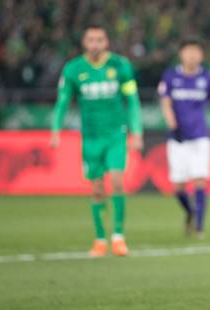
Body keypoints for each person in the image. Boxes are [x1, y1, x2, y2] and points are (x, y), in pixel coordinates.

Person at [50, 24, 143, 257]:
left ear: (106, 42)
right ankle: (100, 238)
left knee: (118, 181)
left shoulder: (120, 66)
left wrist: (137, 131)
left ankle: (119, 237)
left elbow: (132, 101)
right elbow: (62, 102)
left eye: (99, 40)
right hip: (91, 138)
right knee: (98, 189)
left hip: (116, 134)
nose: (95, 44)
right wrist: (55, 130)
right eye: (91, 40)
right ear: (84, 42)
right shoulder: (73, 69)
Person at [158, 39, 210, 238]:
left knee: (199, 180)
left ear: (201, 55)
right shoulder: (171, 76)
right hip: (177, 138)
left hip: (200, 137)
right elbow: (165, 104)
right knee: (178, 185)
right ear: (181, 54)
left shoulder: (207, 78)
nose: (192, 56)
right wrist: (173, 126)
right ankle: (190, 211)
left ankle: (199, 226)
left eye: (196, 52)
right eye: (188, 52)